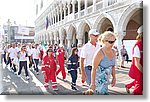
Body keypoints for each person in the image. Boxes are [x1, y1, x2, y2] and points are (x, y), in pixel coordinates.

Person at [125, 25, 143, 95]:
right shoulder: (137, 46)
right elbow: (137, 63)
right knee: (138, 89)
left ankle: (128, 86)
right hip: (139, 70)